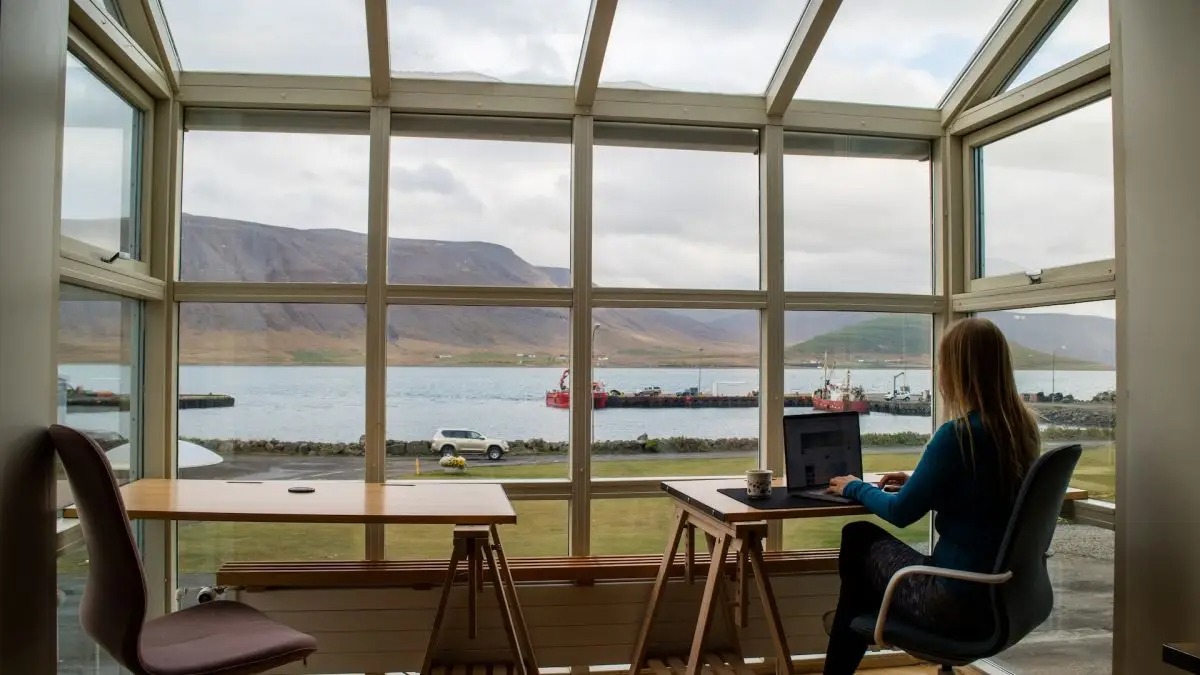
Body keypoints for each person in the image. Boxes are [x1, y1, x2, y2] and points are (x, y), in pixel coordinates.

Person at [820, 317, 1041, 675]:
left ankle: (853, 626)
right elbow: (984, 498)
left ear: (955, 372)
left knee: (858, 536)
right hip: (1005, 598)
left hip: (951, 601)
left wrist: (853, 486)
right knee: (859, 587)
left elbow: (900, 512)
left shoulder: (957, 436)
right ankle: (855, 622)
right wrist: (922, 483)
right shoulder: (1022, 431)